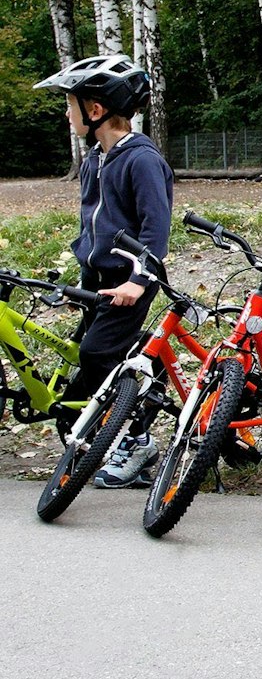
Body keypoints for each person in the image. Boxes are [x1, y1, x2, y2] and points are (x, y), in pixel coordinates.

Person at [32, 55, 173, 489]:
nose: (66, 112)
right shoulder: (97, 157)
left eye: (71, 104)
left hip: (130, 280)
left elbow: (156, 226)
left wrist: (139, 279)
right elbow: (92, 220)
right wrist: (79, 273)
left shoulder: (141, 159)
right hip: (97, 279)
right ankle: (99, 434)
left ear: (95, 111)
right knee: (88, 358)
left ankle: (139, 442)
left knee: (100, 357)